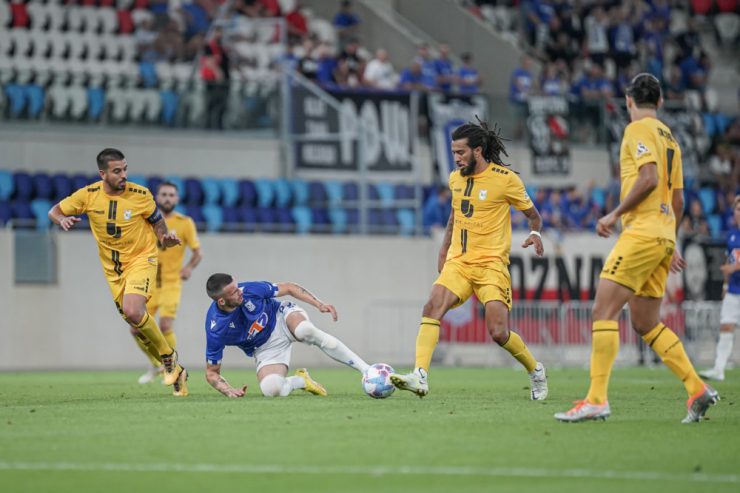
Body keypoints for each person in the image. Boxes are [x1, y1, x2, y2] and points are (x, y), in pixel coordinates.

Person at [554, 74, 719, 424]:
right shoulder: (671, 138)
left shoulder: (637, 130)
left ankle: (596, 399)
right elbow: (678, 199)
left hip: (641, 233)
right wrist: (670, 241)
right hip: (661, 236)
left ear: (629, 101)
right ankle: (696, 388)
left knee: (603, 310)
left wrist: (615, 213)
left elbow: (648, 179)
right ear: (660, 102)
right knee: (645, 321)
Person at [390, 118, 549, 400]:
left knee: (498, 333)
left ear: (478, 151)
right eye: (453, 152)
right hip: (459, 263)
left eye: (461, 152)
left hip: (491, 267)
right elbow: (454, 217)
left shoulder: (506, 180)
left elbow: (533, 215)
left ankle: (536, 371)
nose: (456, 158)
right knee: (432, 307)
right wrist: (443, 251)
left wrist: (535, 232)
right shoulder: (455, 179)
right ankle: (420, 376)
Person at [48, 148, 187, 395]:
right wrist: (62, 220)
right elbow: (54, 211)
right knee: (135, 323)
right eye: (116, 171)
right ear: (103, 174)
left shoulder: (141, 195)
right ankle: (177, 373)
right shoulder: (88, 195)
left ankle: (168, 359)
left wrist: (165, 239)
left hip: (142, 259)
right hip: (113, 271)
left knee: (134, 310)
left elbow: (159, 225)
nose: (123, 175)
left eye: (124, 169)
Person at [203, 274, 370, 398]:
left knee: (305, 330)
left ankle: (367, 370)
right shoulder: (217, 329)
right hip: (265, 347)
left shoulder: (250, 290)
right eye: (233, 292)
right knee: (271, 389)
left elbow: (289, 287)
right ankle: (301, 381)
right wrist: (228, 390)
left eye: (237, 286)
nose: (240, 292)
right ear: (222, 301)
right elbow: (212, 373)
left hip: (281, 317)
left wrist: (319, 304)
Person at [134, 181, 202, 388]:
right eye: (164, 194)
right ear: (157, 197)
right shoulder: (146, 221)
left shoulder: (185, 222)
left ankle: (171, 366)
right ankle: (156, 365)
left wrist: (189, 267)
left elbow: (198, 253)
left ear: (177, 199)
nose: (167, 198)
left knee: (165, 326)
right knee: (136, 329)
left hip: (172, 283)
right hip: (148, 282)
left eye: (171, 195)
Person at [700, 196, 740, 381]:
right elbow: (728, 261)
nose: (739, 213)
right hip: (733, 290)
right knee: (726, 326)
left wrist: (735, 268)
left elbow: (733, 264)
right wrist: (725, 283)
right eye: (737, 209)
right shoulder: (732, 235)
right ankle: (719, 368)